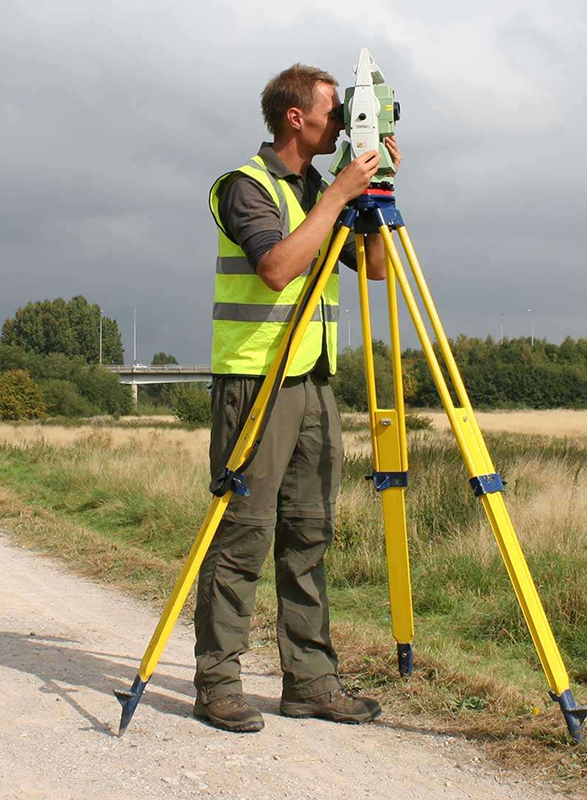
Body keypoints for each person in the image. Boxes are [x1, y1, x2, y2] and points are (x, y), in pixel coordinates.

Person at [195, 63, 401, 733]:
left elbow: (374, 269)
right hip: (255, 385)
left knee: (309, 533)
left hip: (312, 383)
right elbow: (278, 269)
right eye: (332, 111)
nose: (341, 121)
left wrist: (374, 191)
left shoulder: (320, 191)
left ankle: (310, 681)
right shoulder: (246, 188)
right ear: (295, 118)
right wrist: (338, 197)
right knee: (243, 536)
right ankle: (218, 683)